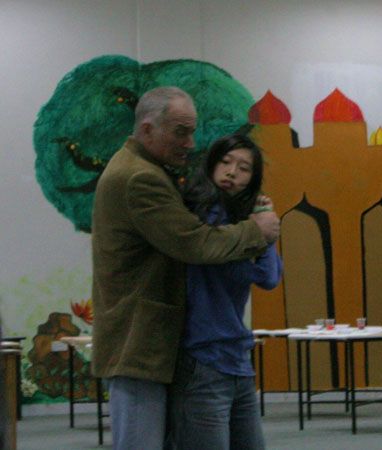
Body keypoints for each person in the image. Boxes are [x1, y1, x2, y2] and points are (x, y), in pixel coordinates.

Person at [91, 87, 280, 450]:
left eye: (192, 132)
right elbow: (195, 244)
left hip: (163, 348)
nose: (190, 144)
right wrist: (258, 231)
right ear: (147, 130)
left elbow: (266, 276)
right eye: (180, 132)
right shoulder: (140, 177)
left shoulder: (146, 169)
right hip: (141, 344)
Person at [169, 135, 282, 450]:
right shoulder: (203, 216)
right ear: (211, 164)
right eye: (226, 162)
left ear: (252, 180)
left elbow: (269, 278)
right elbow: (247, 273)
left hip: (236, 357)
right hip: (203, 358)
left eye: (244, 168)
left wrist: (265, 227)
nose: (232, 172)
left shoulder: (239, 220)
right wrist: (260, 231)